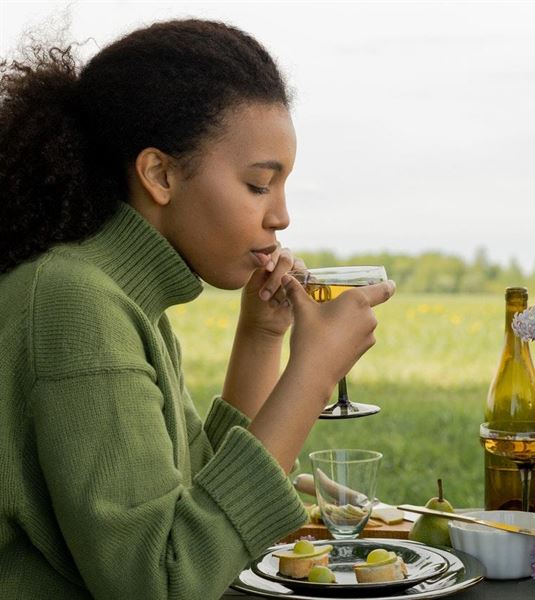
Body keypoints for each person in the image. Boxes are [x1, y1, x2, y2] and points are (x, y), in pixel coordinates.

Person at [0, 18, 395, 599]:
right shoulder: (75, 304)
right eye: (259, 185)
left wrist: (262, 338)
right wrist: (314, 374)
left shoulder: (115, 293)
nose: (281, 216)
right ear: (160, 174)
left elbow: (196, 507)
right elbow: (164, 578)